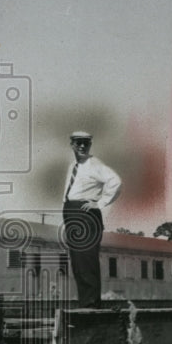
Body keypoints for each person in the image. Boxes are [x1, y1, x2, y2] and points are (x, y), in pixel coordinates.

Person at [62, 130, 121, 308]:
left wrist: (100, 202)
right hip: (72, 212)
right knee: (78, 262)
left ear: (90, 145)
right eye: (78, 142)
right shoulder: (73, 165)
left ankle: (91, 305)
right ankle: (85, 302)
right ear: (71, 144)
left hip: (85, 214)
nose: (82, 146)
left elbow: (115, 181)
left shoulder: (94, 164)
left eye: (85, 143)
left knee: (86, 260)